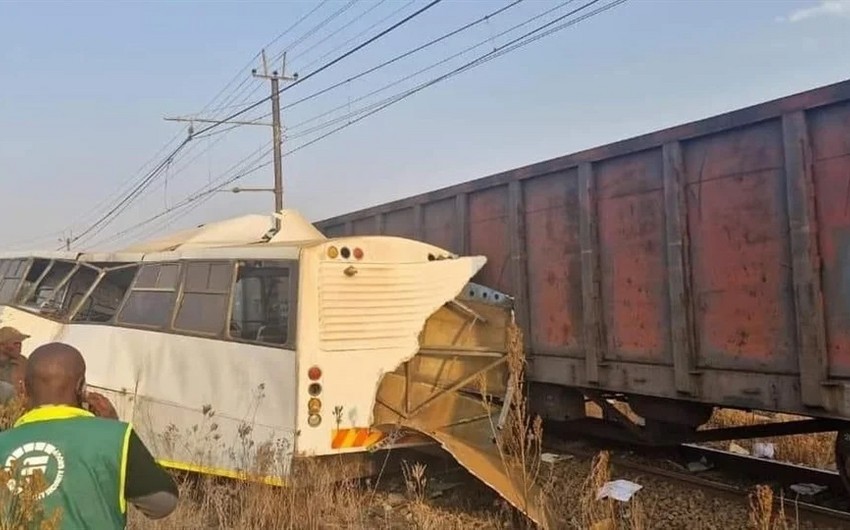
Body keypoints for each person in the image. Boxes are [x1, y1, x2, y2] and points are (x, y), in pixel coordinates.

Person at [0, 342, 179, 528]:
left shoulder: (3, 443)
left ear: (23, 389)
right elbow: (163, 503)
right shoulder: (114, 437)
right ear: (80, 387)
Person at [0, 326, 29, 391]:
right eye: (16, 343)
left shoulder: (23, 362)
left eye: (20, 343)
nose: (19, 346)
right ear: (2, 345)